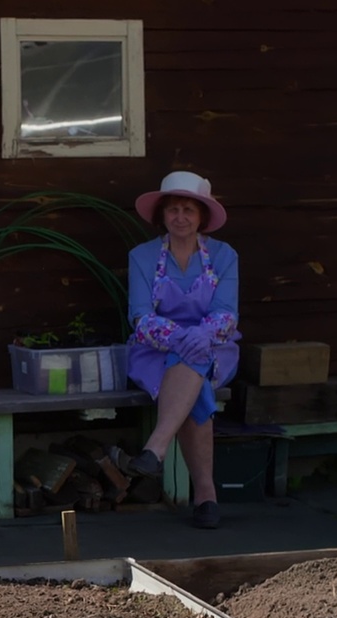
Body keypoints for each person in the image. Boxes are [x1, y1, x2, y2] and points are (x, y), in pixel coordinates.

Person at [120, 171, 240, 530]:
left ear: (202, 216)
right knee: (196, 379)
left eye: (189, 209)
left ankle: (156, 447)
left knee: (195, 361)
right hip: (153, 350)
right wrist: (180, 339)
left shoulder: (224, 255)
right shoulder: (141, 257)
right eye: (173, 210)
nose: (181, 217)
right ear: (162, 215)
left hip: (215, 345)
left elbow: (227, 313)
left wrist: (201, 336)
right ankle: (206, 495)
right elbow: (140, 316)